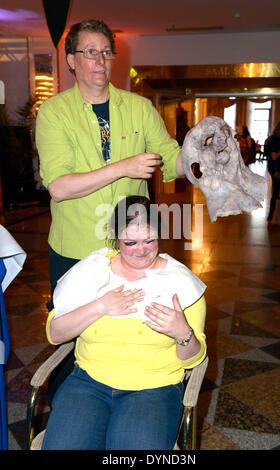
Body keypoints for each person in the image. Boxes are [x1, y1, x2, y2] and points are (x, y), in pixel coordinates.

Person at [35, 19, 184, 403]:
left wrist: (203, 158)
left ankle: (131, 407)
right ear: (70, 60)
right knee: (72, 340)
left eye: (106, 51)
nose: (100, 60)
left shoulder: (138, 107)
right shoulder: (54, 112)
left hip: (132, 250)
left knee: (132, 331)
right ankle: (71, 414)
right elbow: (59, 186)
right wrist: (124, 167)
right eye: (90, 52)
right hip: (74, 250)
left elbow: (171, 159)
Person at [41, 196, 207, 450]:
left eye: (149, 241)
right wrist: (101, 306)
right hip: (87, 382)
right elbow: (55, 333)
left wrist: (182, 332)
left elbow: (193, 360)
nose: (141, 251)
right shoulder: (93, 271)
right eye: (130, 242)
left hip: (154, 389)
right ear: (115, 237)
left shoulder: (181, 282)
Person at [264, 121, 280, 221]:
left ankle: (273, 214)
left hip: (273, 168)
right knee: (276, 192)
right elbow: (274, 157)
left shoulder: (272, 138)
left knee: (276, 191)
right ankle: (273, 215)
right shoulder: (276, 140)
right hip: (276, 169)